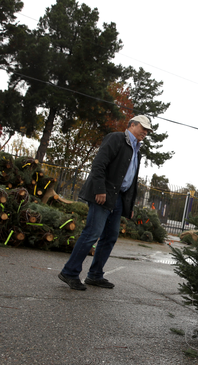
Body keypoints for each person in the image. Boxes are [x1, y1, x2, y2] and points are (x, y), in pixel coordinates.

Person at [57, 115, 152, 290]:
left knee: (110, 237)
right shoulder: (116, 138)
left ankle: (95, 275)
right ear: (132, 125)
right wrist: (100, 190)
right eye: (143, 128)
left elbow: (131, 179)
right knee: (92, 233)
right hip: (102, 195)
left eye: (148, 130)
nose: (145, 132)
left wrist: (129, 205)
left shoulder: (137, 149)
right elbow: (99, 164)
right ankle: (69, 272)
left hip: (118, 199)